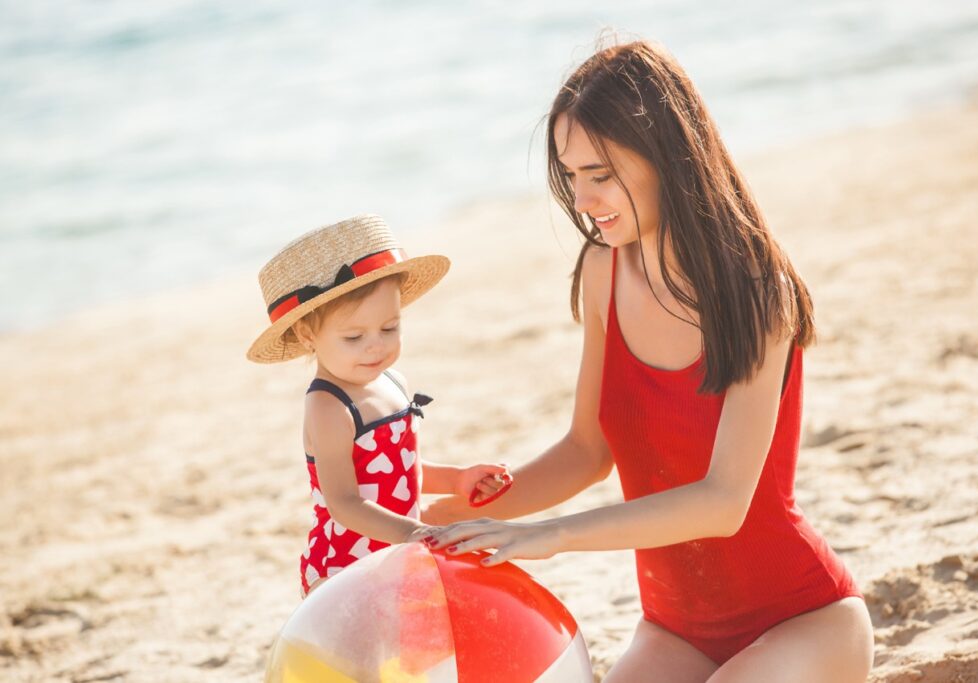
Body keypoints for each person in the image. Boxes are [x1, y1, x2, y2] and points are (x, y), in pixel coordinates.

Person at [421, 41, 874, 681]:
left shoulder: (756, 293)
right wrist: (452, 519)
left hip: (801, 620)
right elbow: (586, 449)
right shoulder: (603, 272)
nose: (581, 198)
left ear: (665, 156)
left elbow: (724, 502)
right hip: (677, 632)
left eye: (600, 175)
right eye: (570, 175)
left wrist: (555, 535)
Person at [246, 214, 511, 597]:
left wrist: (457, 479)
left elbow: (399, 471)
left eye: (390, 328)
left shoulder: (392, 380)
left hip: (399, 551)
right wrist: (414, 532)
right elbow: (344, 503)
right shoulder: (328, 406)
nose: (376, 346)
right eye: (354, 336)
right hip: (347, 566)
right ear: (307, 335)